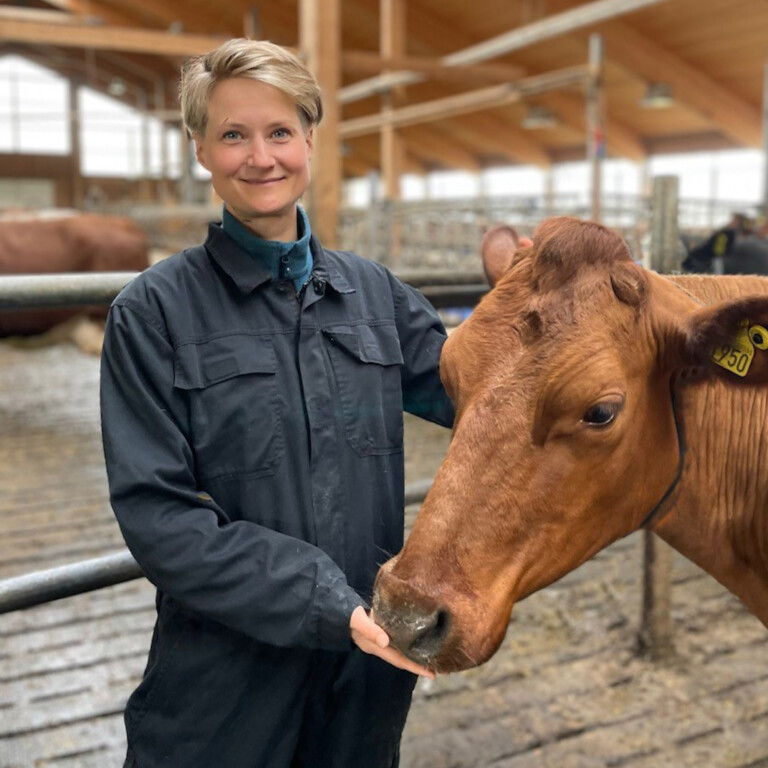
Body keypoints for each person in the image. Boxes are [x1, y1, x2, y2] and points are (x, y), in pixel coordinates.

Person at [100, 39, 454, 768]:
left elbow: (484, 396)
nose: (260, 157)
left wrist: (550, 314)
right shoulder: (154, 312)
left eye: (280, 132)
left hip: (365, 675)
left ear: (310, 141)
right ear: (201, 149)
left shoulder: (375, 294)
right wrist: (323, 602)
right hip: (226, 676)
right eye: (234, 135)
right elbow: (158, 516)